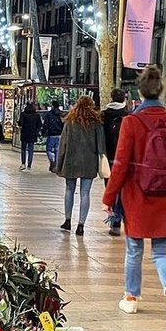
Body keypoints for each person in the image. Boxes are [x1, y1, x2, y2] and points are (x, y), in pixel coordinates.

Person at [103, 65, 166, 331]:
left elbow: (119, 165)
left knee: (134, 249)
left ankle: (131, 297)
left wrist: (109, 196)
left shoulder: (132, 122)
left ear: (139, 94)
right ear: (161, 91)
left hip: (137, 196)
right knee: (162, 252)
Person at [55, 95, 107, 237]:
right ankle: (81, 225)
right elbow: (101, 144)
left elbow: (63, 143)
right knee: (85, 192)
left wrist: (59, 162)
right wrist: (102, 158)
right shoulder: (95, 122)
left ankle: (67, 220)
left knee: (69, 189)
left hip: (71, 160)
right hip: (89, 161)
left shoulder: (70, 121)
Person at [102, 88, 131, 237]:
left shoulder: (104, 115)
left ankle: (115, 222)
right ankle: (125, 220)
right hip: (124, 159)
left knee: (111, 190)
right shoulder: (129, 115)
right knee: (124, 190)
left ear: (111, 98)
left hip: (108, 158)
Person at [19, 102, 42, 170]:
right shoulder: (36, 115)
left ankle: (23, 163)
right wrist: (36, 131)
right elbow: (40, 125)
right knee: (31, 149)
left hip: (24, 133)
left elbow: (20, 123)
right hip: (33, 134)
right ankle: (29, 165)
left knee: (23, 149)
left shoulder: (23, 114)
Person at [43, 103, 64, 172]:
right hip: (60, 134)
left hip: (51, 134)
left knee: (49, 150)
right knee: (57, 150)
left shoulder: (49, 114)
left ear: (52, 106)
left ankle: (52, 160)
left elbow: (46, 124)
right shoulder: (61, 114)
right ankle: (57, 165)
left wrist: (44, 132)